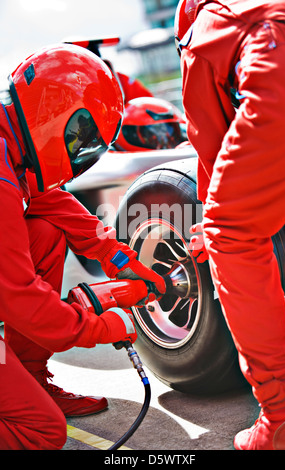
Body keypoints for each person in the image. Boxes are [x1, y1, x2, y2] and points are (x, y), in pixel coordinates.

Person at [0, 43, 165, 450]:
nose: (82, 154)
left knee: (46, 232)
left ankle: (30, 378)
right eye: (83, 140)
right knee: (41, 432)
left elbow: (59, 207)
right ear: (53, 115)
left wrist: (120, 258)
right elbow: (19, 298)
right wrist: (96, 326)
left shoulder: (11, 149)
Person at [175, 0, 285, 450]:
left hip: (281, 67)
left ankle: (283, 414)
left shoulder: (200, 35)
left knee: (231, 233)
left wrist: (212, 224)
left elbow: (211, 143)